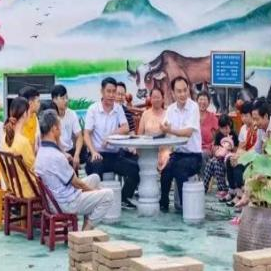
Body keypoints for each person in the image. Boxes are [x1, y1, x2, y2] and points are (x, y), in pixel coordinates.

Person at [35, 109, 114, 231]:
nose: (61, 130)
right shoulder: (56, 156)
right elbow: (76, 183)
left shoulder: (41, 150)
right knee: (108, 195)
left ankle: (86, 226)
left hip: (55, 198)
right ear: (54, 129)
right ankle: (85, 232)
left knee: (95, 178)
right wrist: (93, 191)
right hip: (66, 203)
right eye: (60, 127)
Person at [84, 77, 139, 210]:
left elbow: (125, 128)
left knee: (135, 169)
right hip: (97, 154)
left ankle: (123, 198)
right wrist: (93, 152)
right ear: (102, 92)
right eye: (108, 91)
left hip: (114, 155)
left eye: (113, 91)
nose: (111, 95)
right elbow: (86, 134)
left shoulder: (118, 108)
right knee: (96, 167)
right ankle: (96, 203)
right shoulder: (93, 109)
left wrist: (110, 136)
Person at [159, 76, 202, 213]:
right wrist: (163, 127)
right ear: (173, 93)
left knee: (179, 169)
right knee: (165, 172)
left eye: (185, 90)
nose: (183, 94)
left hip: (193, 156)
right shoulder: (171, 109)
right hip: (177, 154)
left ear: (188, 89)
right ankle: (163, 204)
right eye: (179, 91)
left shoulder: (194, 107)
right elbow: (164, 126)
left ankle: (186, 207)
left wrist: (170, 130)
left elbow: (188, 133)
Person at [1, 96, 36, 198]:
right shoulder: (23, 142)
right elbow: (34, 168)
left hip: (14, 186)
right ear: (25, 114)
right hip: (27, 190)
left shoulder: (4, 137)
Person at [225, 101, 257, 205]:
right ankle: (233, 190)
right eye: (242, 116)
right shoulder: (243, 128)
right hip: (245, 154)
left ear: (252, 115)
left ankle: (240, 195)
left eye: (246, 116)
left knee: (239, 164)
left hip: (254, 157)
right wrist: (236, 155)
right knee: (230, 161)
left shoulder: (257, 128)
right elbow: (240, 146)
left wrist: (242, 156)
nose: (243, 119)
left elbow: (256, 148)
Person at [203, 114, 239, 198]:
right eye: (223, 128)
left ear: (230, 125)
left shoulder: (233, 134)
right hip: (219, 158)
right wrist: (218, 151)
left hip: (229, 160)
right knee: (212, 162)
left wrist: (230, 148)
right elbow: (215, 148)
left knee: (215, 163)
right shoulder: (219, 135)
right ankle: (204, 186)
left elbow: (237, 149)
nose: (226, 130)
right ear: (219, 128)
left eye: (227, 128)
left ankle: (223, 189)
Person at [51, 84, 86, 169]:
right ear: (54, 100)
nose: (66, 101)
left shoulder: (72, 114)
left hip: (70, 151)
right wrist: (63, 154)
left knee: (83, 152)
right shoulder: (51, 116)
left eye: (66, 97)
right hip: (56, 152)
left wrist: (76, 155)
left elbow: (79, 136)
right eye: (62, 98)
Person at [138, 87, 170, 170]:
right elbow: (139, 135)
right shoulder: (145, 114)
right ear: (150, 99)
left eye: (158, 97)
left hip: (163, 150)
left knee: (166, 158)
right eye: (154, 97)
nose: (156, 100)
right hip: (147, 148)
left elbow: (170, 136)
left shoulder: (167, 114)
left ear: (163, 99)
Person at [198, 91, 219, 167]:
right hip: (193, 147)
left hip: (206, 149)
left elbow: (217, 137)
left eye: (205, 100)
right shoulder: (192, 116)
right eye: (200, 99)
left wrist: (214, 146)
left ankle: (204, 175)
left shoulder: (212, 117)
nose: (202, 102)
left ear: (209, 103)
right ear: (197, 101)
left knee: (202, 155)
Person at [18, 86, 42, 152]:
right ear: (30, 103)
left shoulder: (34, 117)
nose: (39, 104)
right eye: (38, 101)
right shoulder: (20, 121)